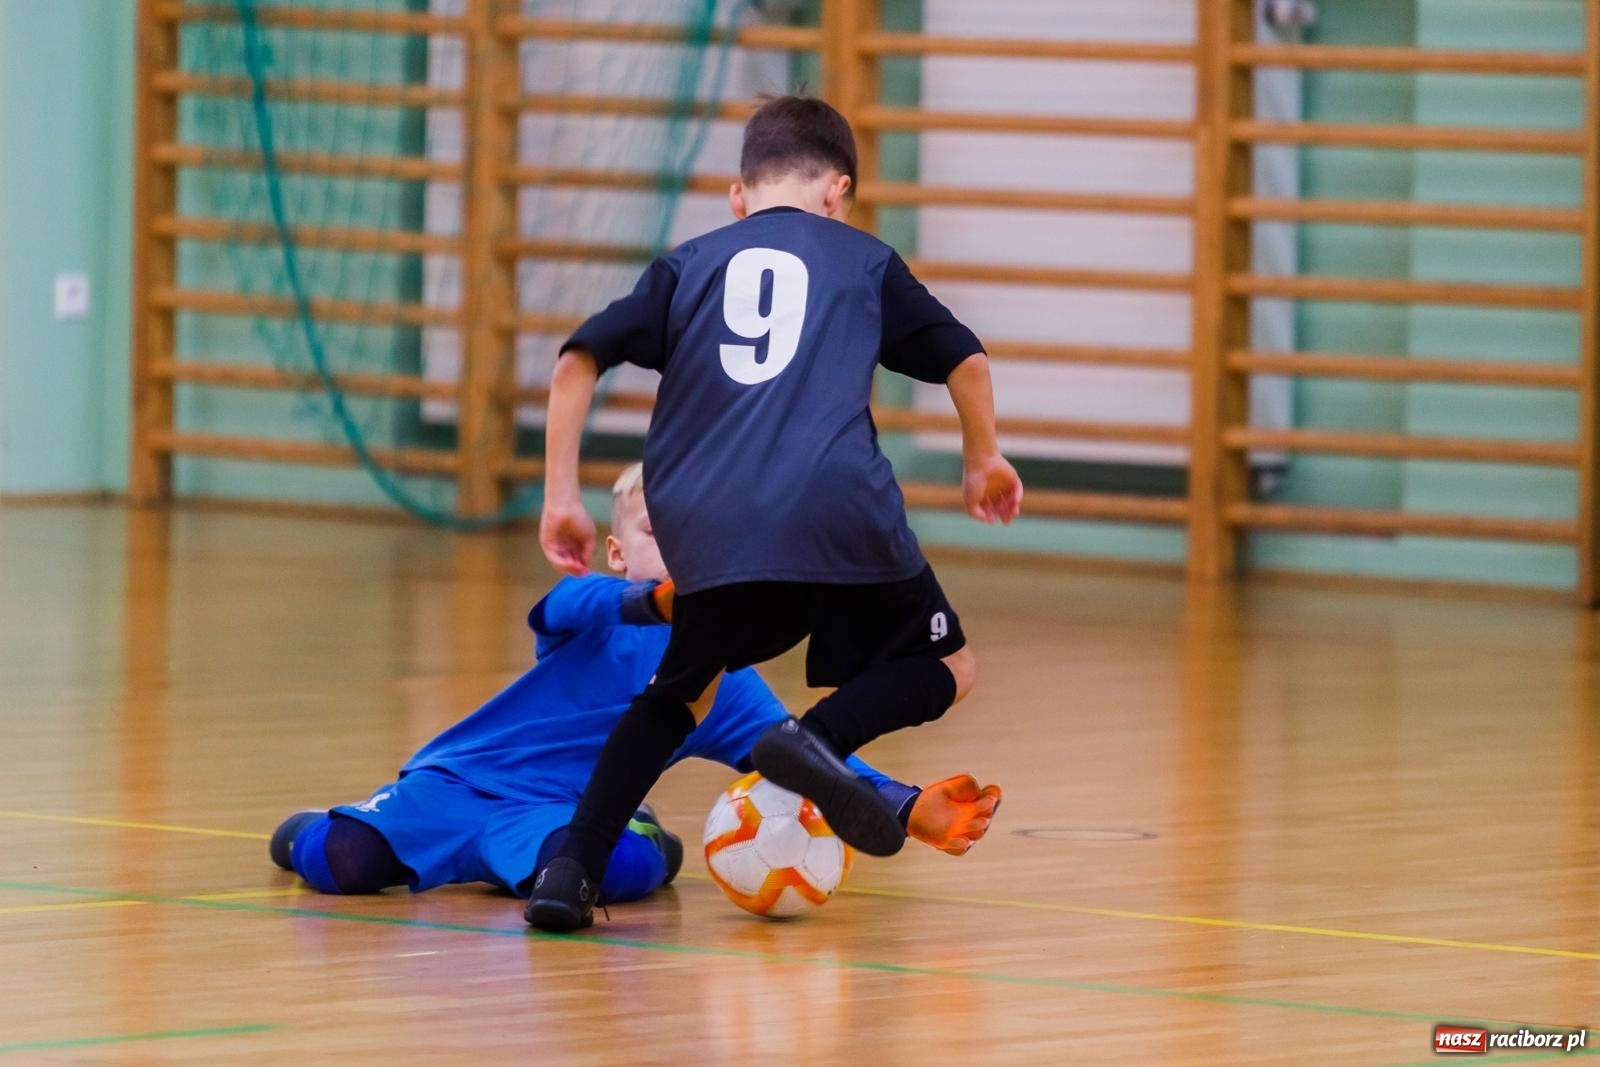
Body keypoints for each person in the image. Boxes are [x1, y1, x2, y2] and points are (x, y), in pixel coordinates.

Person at [528, 95, 1022, 932]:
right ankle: (816, 741)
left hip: (705, 513)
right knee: (952, 664)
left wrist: (562, 495)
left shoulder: (688, 263)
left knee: (678, 694)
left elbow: (578, 360)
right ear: (839, 191)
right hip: (838, 502)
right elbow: (963, 357)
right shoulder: (863, 259)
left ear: (738, 197)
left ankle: (570, 872)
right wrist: (983, 457)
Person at [269, 465, 1002, 905]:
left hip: (557, 818)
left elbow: (807, 754)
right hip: (460, 782)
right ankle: (322, 823)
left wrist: (907, 806)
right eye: (659, 531)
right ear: (618, 551)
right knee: (341, 861)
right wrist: (651, 602)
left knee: (609, 870)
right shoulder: (592, 607)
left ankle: (637, 830)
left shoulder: (729, 681)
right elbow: (558, 605)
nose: (682, 548)